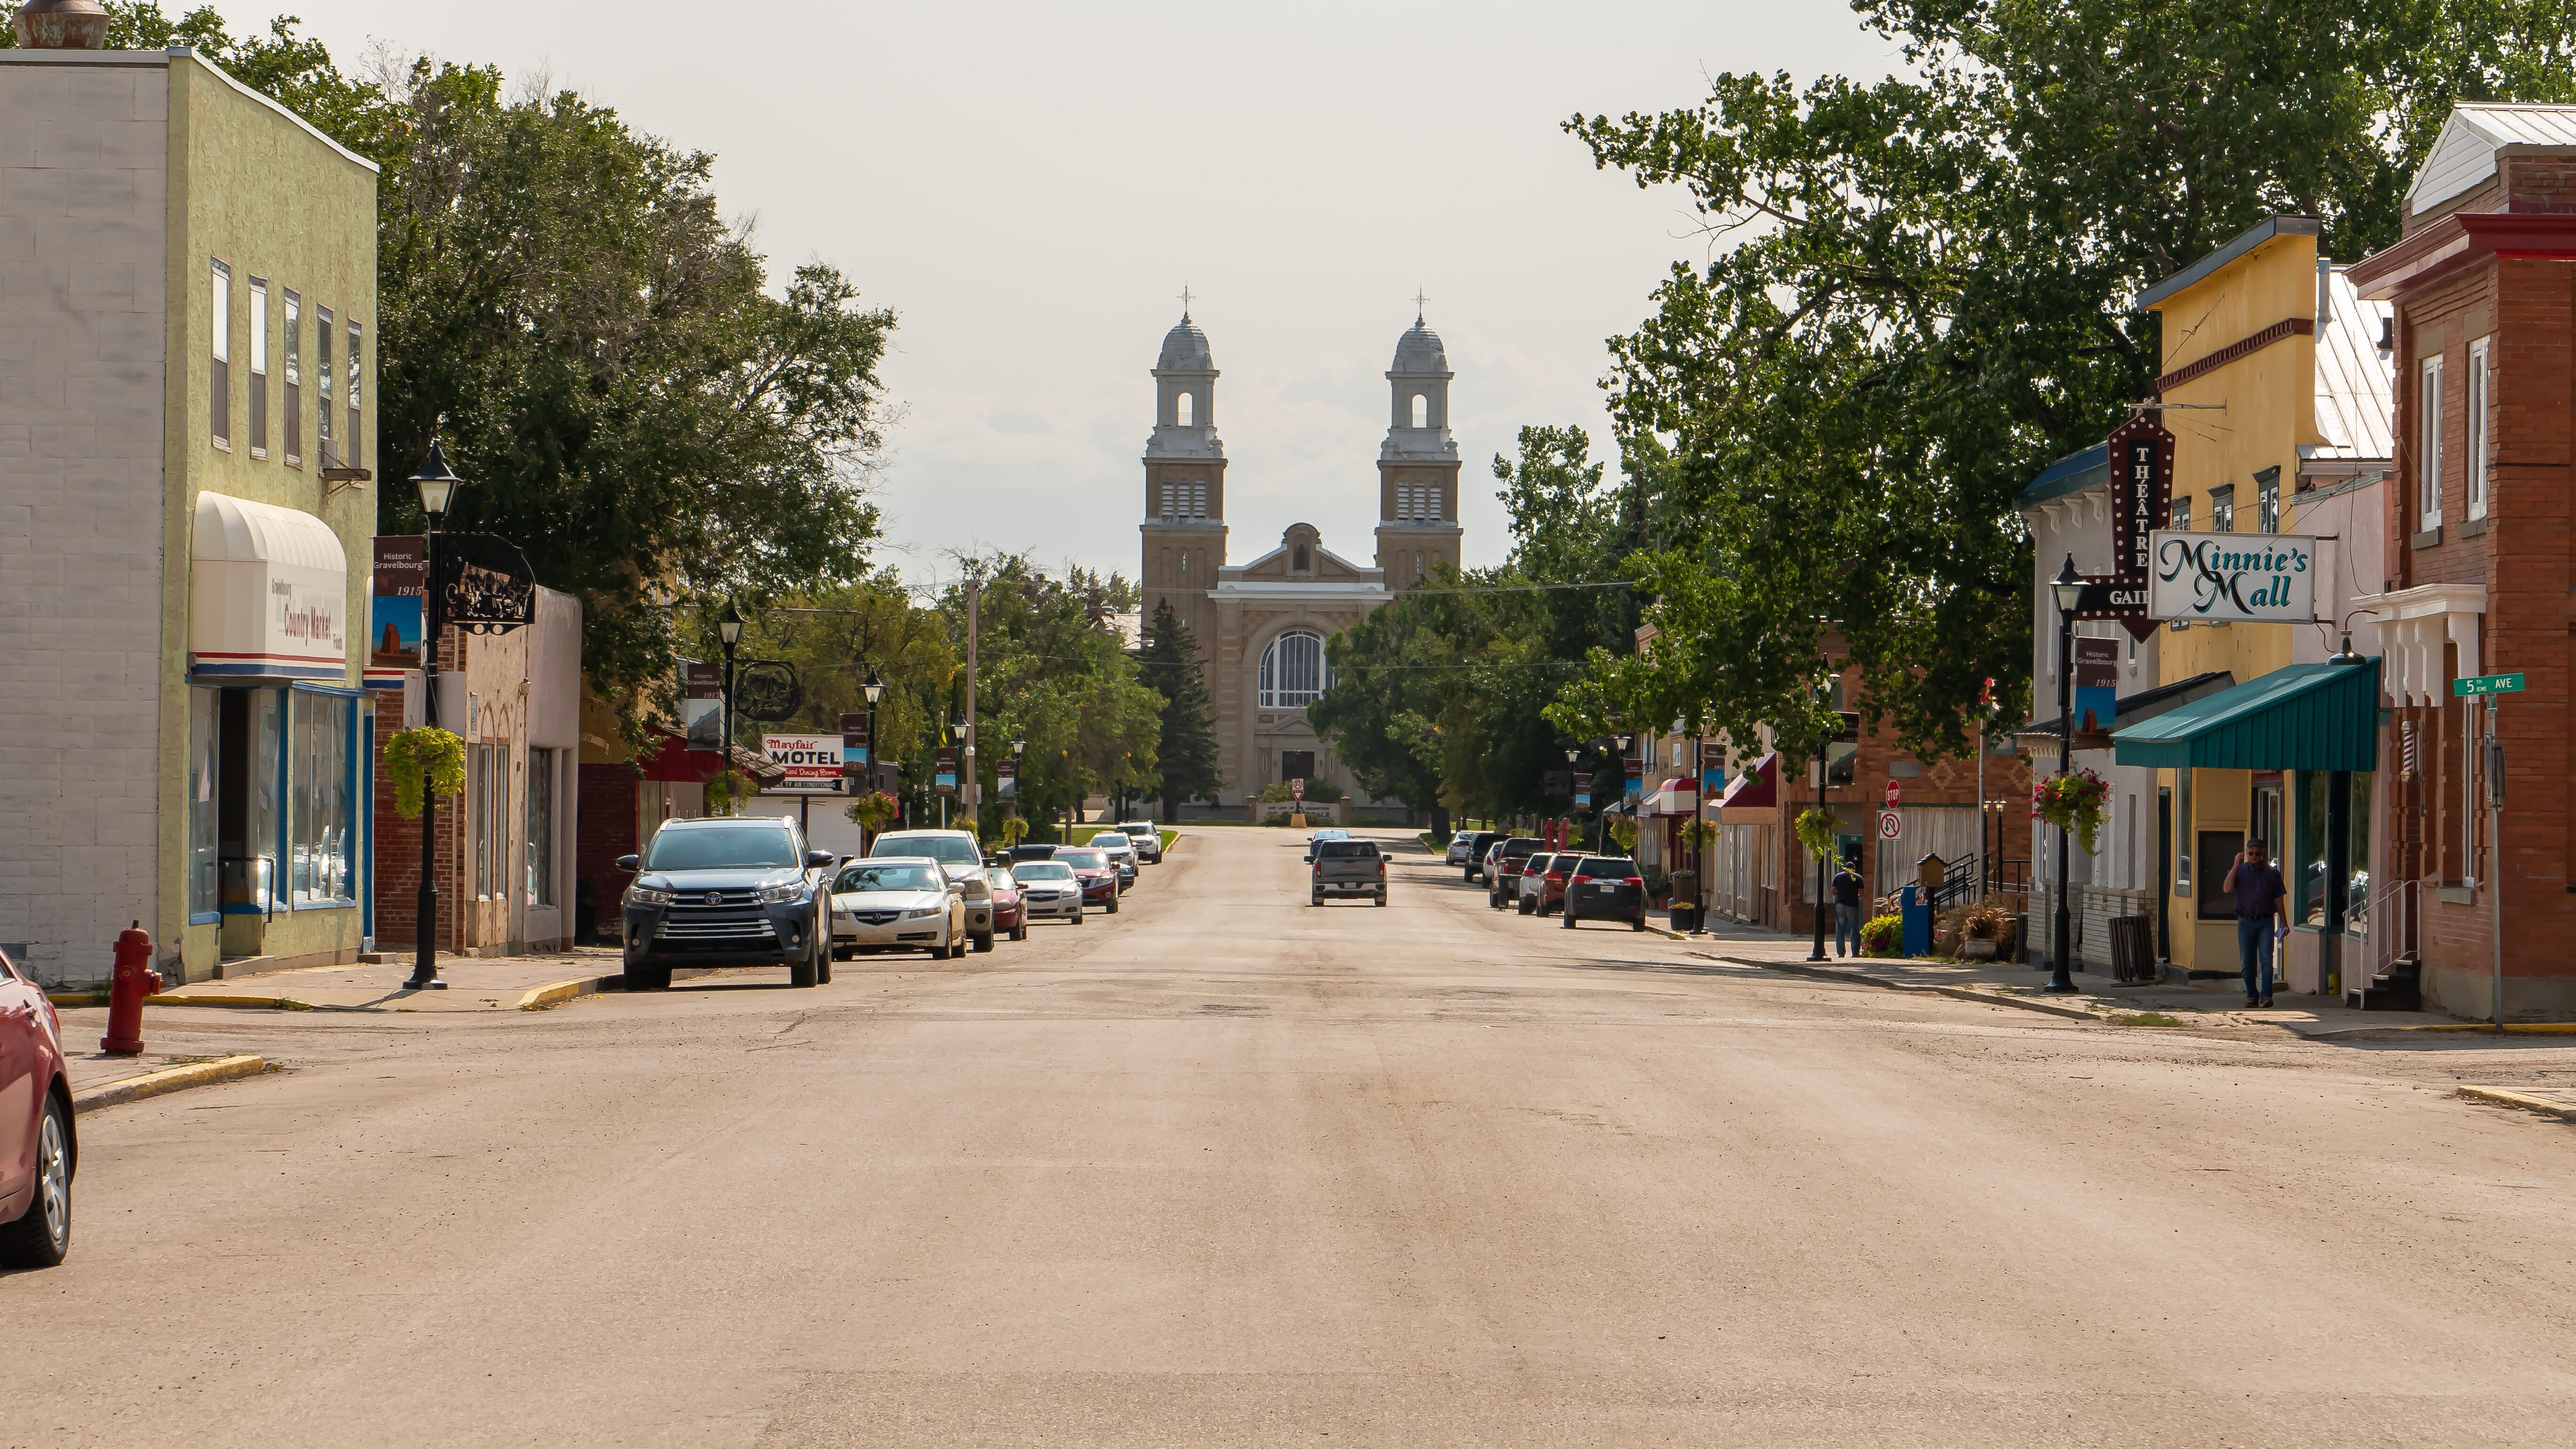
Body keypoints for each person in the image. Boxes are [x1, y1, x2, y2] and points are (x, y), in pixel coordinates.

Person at [2222, 838, 2288, 1007]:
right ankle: (2252, 996)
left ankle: (2266, 996)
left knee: (2266, 959)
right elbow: (2227, 888)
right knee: (2247, 962)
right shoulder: (2241, 871)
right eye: (2250, 853)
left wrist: (2284, 922)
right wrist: (2236, 864)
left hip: (2265, 921)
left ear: (2263, 853)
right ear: (2247, 853)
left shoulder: (2272, 874)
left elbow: (2278, 898)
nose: (2253, 856)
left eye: (2257, 854)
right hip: (2245, 922)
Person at [1830, 860, 1865, 957]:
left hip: (1840, 905)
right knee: (1854, 928)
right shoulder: (1858, 878)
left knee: (1840, 928)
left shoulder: (1838, 877)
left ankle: (1841, 953)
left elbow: (1833, 892)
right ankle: (1855, 953)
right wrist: (1857, 895)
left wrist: (1840, 894)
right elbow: (1862, 894)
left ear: (1845, 868)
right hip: (1853, 905)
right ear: (1854, 869)